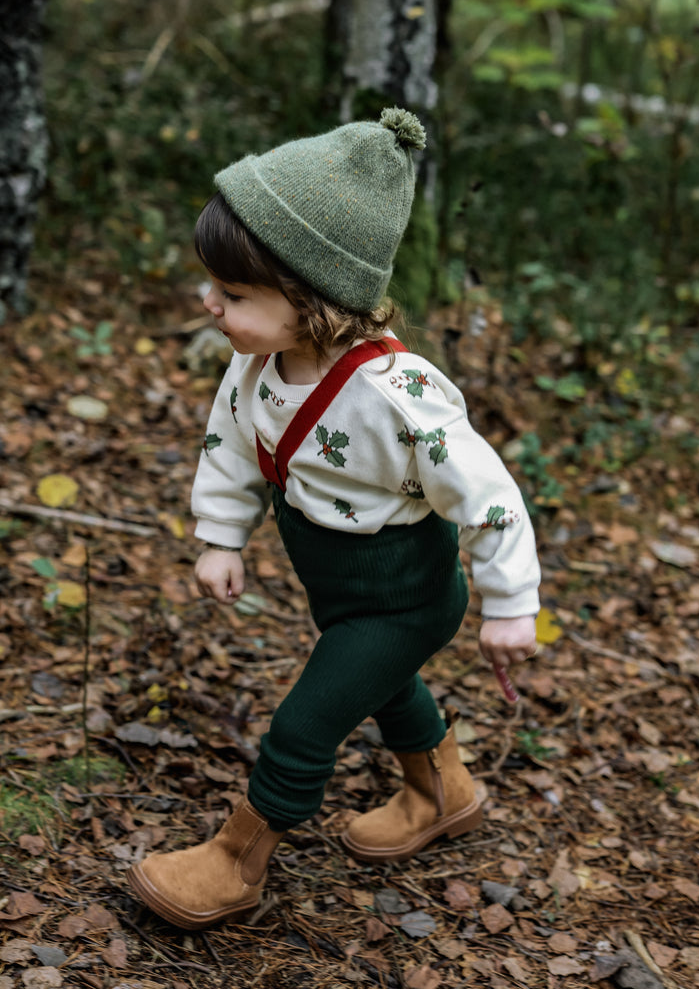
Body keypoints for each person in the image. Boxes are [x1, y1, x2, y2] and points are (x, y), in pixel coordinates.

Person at [127, 107, 541, 930]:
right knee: (388, 693)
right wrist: (220, 535)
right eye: (214, 285)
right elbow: (231, 447)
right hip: (340, 591)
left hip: (405, 599)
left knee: (310, 716)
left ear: (312, 296)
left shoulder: (399, 394)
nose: (211, 305)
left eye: (235, 293)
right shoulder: (257, 367)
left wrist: (510, 600)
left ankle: (237, 857)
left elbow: (488, 492)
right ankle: (443, 793)